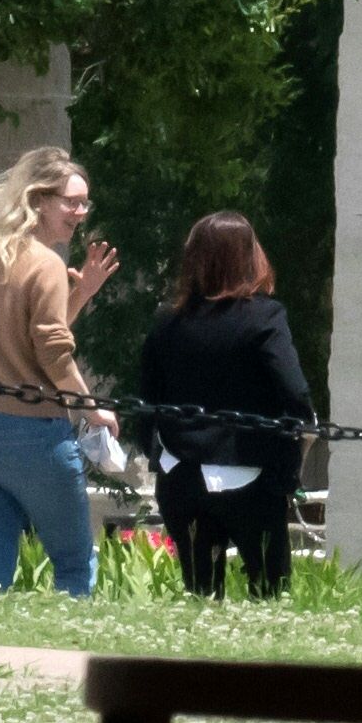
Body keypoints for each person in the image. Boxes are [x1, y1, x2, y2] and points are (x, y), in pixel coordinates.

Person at [0, 146, 120, 595]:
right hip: (34, 433)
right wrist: (92, 409)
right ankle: (69, 654)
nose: (80, 212)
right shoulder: (47, 262)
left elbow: (27, 339)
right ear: (39, 200)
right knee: (74, 561)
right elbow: (50, 352)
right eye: (71, 201)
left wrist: (81, 293)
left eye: (84, 202)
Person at [137, 211, 314, 599]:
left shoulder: (167, 322)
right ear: (251, 257)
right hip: (249, 474)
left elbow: (145, 403)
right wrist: (296, 449)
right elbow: (294, 391)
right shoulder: (265, 316)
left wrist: (157, 457)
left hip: (180, 472)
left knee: (201, 596)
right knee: (269, 593)